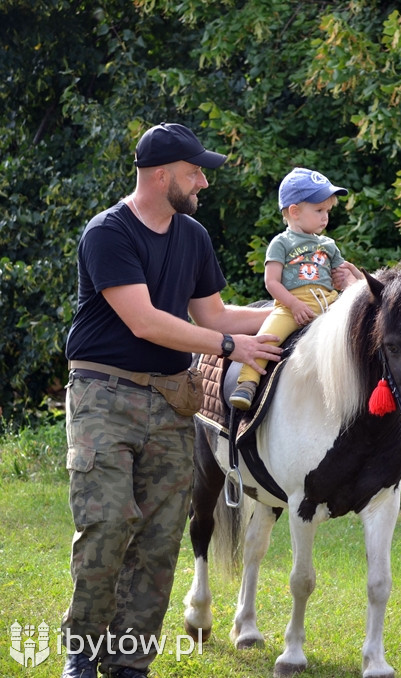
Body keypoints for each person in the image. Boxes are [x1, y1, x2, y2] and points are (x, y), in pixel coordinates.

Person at [60, 122, 293, 678]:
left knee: (162, 538)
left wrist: (308, 309)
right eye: (195, 173)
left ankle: (130, 664)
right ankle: (82, 653)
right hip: (103, 394)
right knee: (108, 523)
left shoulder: (192, 236)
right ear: (160, 174)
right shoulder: (107, 232)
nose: (202, 184)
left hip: (169, 402)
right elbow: (145, 322)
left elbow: (213, 315)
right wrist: (230, 346)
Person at [229, 166, 358, 410]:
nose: (325, 217)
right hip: (291, 306)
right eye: (319, 210)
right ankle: (247, 382)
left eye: (327, 211)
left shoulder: (328, 245)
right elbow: (272, 282)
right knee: (268, 337)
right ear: (295, 212)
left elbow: (346, 273)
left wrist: (353, 279)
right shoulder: (281, 242)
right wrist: (294, 304)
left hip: (329, 303)